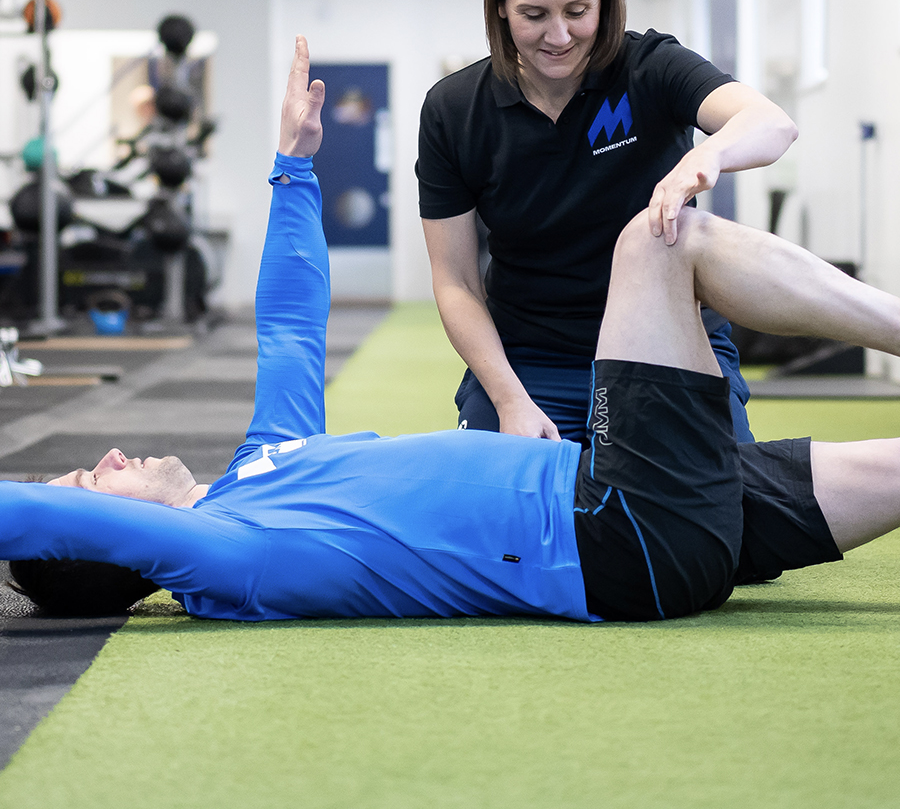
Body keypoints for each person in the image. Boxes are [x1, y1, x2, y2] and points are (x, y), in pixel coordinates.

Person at [3, 35, 900, 623]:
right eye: (92, 485)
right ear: (99, 543)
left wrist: (294, 167)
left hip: (630, 496)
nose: (109, 458)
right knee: (663, 236)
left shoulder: (259, 473)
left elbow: (288, 333)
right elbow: (26, 510)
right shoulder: (225, 561)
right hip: (618, 528)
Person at [417, 0, 798, 447]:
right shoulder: (454, 109)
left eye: (577, 11)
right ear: (501, 7)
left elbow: (772, 123)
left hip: (669, 344)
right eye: (534, 15)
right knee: (500, 515)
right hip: (529, 360)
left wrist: (703, 158)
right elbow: (454, 280)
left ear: (606, 0)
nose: (558, 35)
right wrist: (508, 398)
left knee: (718, 514)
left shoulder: (651, 69)